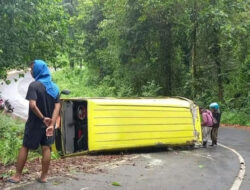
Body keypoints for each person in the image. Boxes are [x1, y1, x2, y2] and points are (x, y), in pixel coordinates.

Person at [9, 60, 60, 183]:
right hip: (49, 125)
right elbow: (57, 107)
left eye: (32, 69)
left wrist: (43, 118)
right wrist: (51, 124)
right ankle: (43, 177)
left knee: (25, 147)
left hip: (35, 123)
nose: (31, 72)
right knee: (46, 148)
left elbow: (32, 105)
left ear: (38, 70)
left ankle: (17, 176)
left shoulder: (34, 85)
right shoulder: (54, 87)